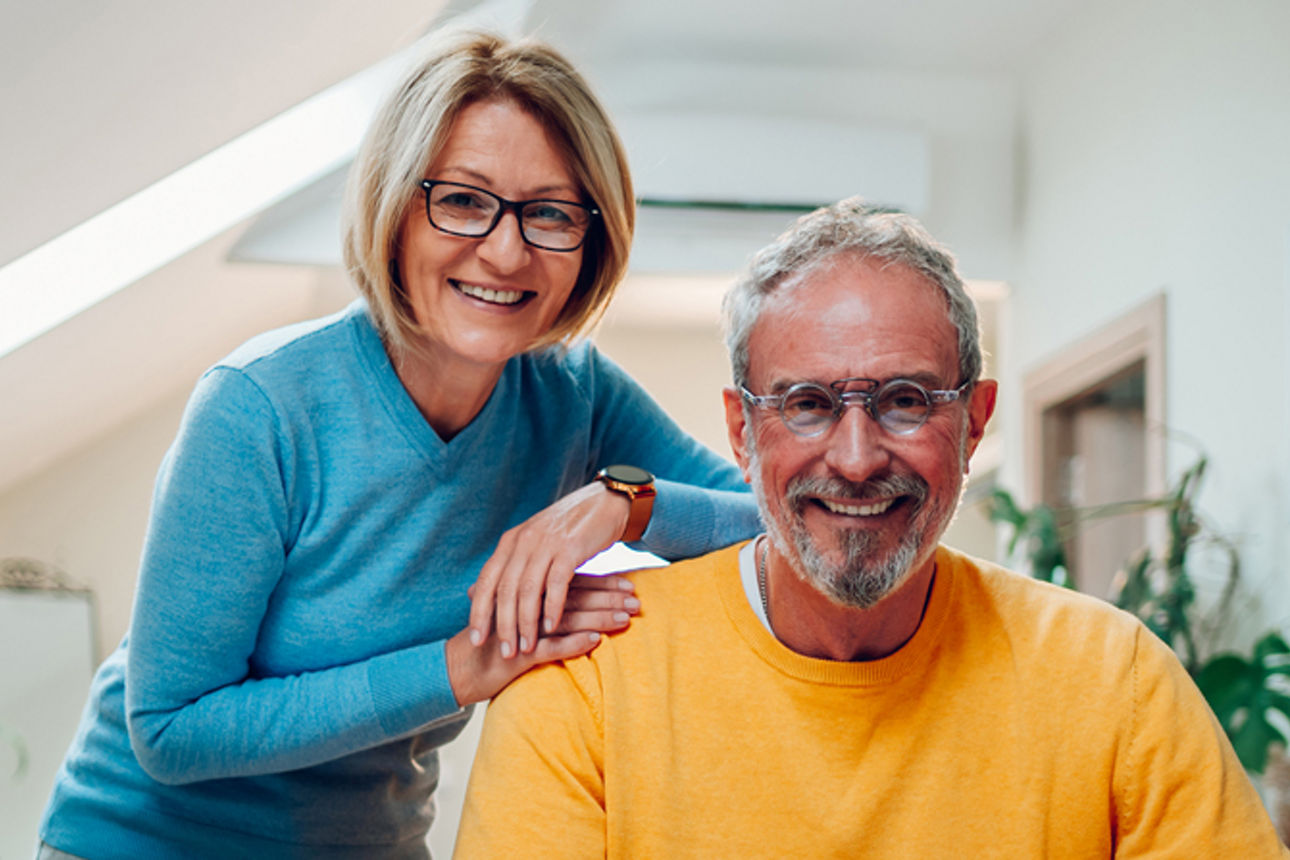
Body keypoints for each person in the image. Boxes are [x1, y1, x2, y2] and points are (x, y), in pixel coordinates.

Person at [36, 31, 758, 859]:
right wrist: (458, 668)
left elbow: (784, 528)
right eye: (461, 199)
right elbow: (171, 730)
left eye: (551, 212)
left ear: (592, 237)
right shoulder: (258, 408)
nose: (506, 249)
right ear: (394, 208)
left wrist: (624, 505)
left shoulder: (573, 393)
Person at [453, 198, 1288, 858]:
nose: (855, 458)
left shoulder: (1114, 680)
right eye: (808, 405)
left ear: (975, 421)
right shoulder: (588, 685)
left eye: (905, 401)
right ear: (742, 432)